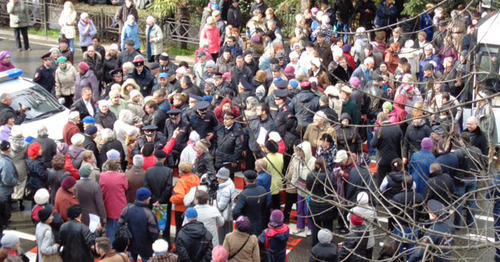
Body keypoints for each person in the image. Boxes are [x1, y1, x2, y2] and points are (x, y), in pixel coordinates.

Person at [118, 187, 159, 262]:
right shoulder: (149, 213)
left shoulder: (127, 208)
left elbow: (120, 224)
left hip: (129, 244)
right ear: (146, 199)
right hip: (145, 246)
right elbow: (154, 232)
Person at [144, 150, 173, 240]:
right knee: (166, 224)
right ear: (164, 159)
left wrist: (154, 199)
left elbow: (146, 186)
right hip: (164, 202)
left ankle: (152, 242)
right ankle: (166, 243)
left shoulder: (148, 171)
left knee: (151, 223)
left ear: (155, 158)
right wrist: (160, 200)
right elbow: (168, 188)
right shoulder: (168, 171)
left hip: (152, 202)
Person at [371, 112, 403, 186]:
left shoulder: (380, 130)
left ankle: (382, 194)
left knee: (381, 179)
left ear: (379, 120)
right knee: (394, 177)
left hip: (382, 160)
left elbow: (373, 144)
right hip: (394, 158)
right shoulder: (397, 128)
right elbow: (401, 143)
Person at [100, 159, 128, 243]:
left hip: (107, 203)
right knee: (119, 227)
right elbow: (126, 187)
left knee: (109, 226)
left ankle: (110, 245)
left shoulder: (102, 176)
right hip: (120, 204)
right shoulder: (121, 176)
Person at [233, 170, 268, 235]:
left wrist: (241, 219)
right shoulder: (263, 190)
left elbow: (235, 212)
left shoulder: (244, 195)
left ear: (245, 179)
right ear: (256, 179)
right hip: (260, 224)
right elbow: (265, 208)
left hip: (247, 226)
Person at [170, 162, 200, 236]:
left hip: (181, 209)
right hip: (194, 208)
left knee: (180, 231)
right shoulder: (196, 177)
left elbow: (180, 197)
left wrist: (171, 199)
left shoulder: (181, 181)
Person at [0, 141, 17, 233]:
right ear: (7, 150)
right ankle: (5, 225)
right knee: (5, 210)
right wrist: (15, 181)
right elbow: (7, 180)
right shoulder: (6, 163)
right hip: (4, 191)